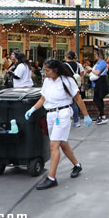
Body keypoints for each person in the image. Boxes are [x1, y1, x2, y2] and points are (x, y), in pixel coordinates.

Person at [24, 58, 92, 190]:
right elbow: (43, 98)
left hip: (63, 114)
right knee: (62, 143)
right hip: (50, 114)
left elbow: (77, 98)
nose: (45, 72)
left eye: (47, 70)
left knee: (54, 144)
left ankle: (51, 178)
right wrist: (33, 109)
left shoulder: (67, 80)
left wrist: (86, 115)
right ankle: (77, 165)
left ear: (55, 70)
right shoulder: (47, 82)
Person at [86, 47, 109, 125]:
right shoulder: (99, 62)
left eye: (95, 54)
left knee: (96, 99)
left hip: (100, 83)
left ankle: (103, 116)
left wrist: (90, 69)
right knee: (99, 99)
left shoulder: (102, 62)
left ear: (99, 54)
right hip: (99, 82)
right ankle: (101, 116)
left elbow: (97, 72)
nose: (94, 55)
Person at [64, 51, 84, 128]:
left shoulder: (64, 65)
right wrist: (82, 84)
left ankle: (74, 120)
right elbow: (82, 75)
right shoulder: (78, 65)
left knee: (70, 103)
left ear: (67, 56)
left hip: (68, 85)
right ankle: (76, 120)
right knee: (75, 102)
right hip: (76, 85)